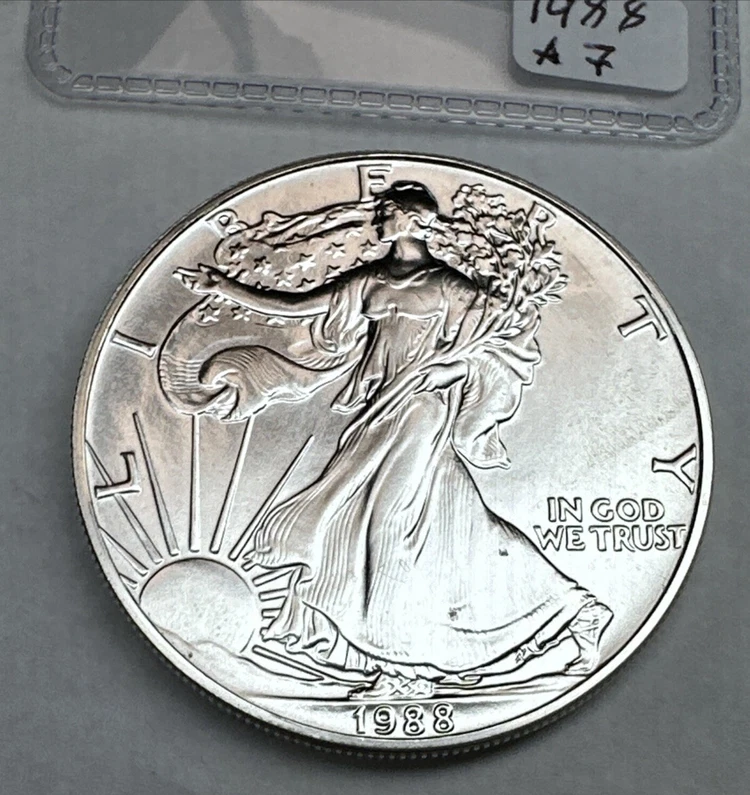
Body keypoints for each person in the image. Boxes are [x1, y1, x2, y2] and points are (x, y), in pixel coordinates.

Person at [173, 181, 612, 698]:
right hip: (379, 410)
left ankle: (405, 669)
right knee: (443, 525)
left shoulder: (450, 286)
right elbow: (296, 306)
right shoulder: (369, 280)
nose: (376, 219)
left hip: (422, 410)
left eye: (385, 212)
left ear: (410, 220)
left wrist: (451, 370)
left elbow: (497, 344)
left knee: (385, 528)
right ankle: (574, 610)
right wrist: (223, 288)